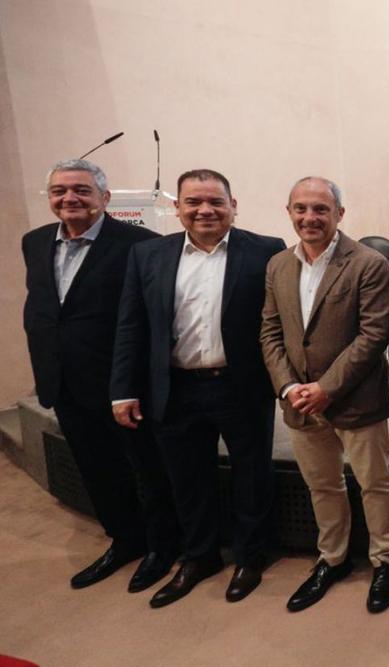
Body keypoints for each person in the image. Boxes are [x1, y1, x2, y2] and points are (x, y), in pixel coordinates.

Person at [111, 169, 285, 608]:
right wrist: (123, 389)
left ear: (233, 205)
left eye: (215, 201)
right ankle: (200, 556)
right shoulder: (148, 256)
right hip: (175, 389)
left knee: (251, 475)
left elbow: (281, 322)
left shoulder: (267, 251)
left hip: (241, 386)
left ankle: (249, 556)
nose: (205, 210)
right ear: (178, 207)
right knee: (187, 480)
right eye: (193, 202)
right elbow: (132, 327)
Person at [22, 159, 179, 592]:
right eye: (59, 191)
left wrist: (133, 382)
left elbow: (152, 321)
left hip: (122, 386)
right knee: (97, 470)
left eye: (81, 190)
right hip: (64, 383)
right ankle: (124, 539)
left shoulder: (141, 244)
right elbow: (46, 310)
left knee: (146, 469)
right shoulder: (34, 242)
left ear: (104, 198)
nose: (69, 198)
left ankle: (163, 547)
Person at [260, 177, 389, 613]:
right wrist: (288, 387)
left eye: (321, 209)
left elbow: (374, 334)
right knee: (322, 485)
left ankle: (385, 561)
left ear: (339, 214)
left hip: (356, 399)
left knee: (374, 484)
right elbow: (270, 332)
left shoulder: (368, 262)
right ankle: (334, 558)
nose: (310, 218)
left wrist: (326, 388)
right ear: (288, 212)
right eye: (301, 209)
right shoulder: (278, 266)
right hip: (299, 403)